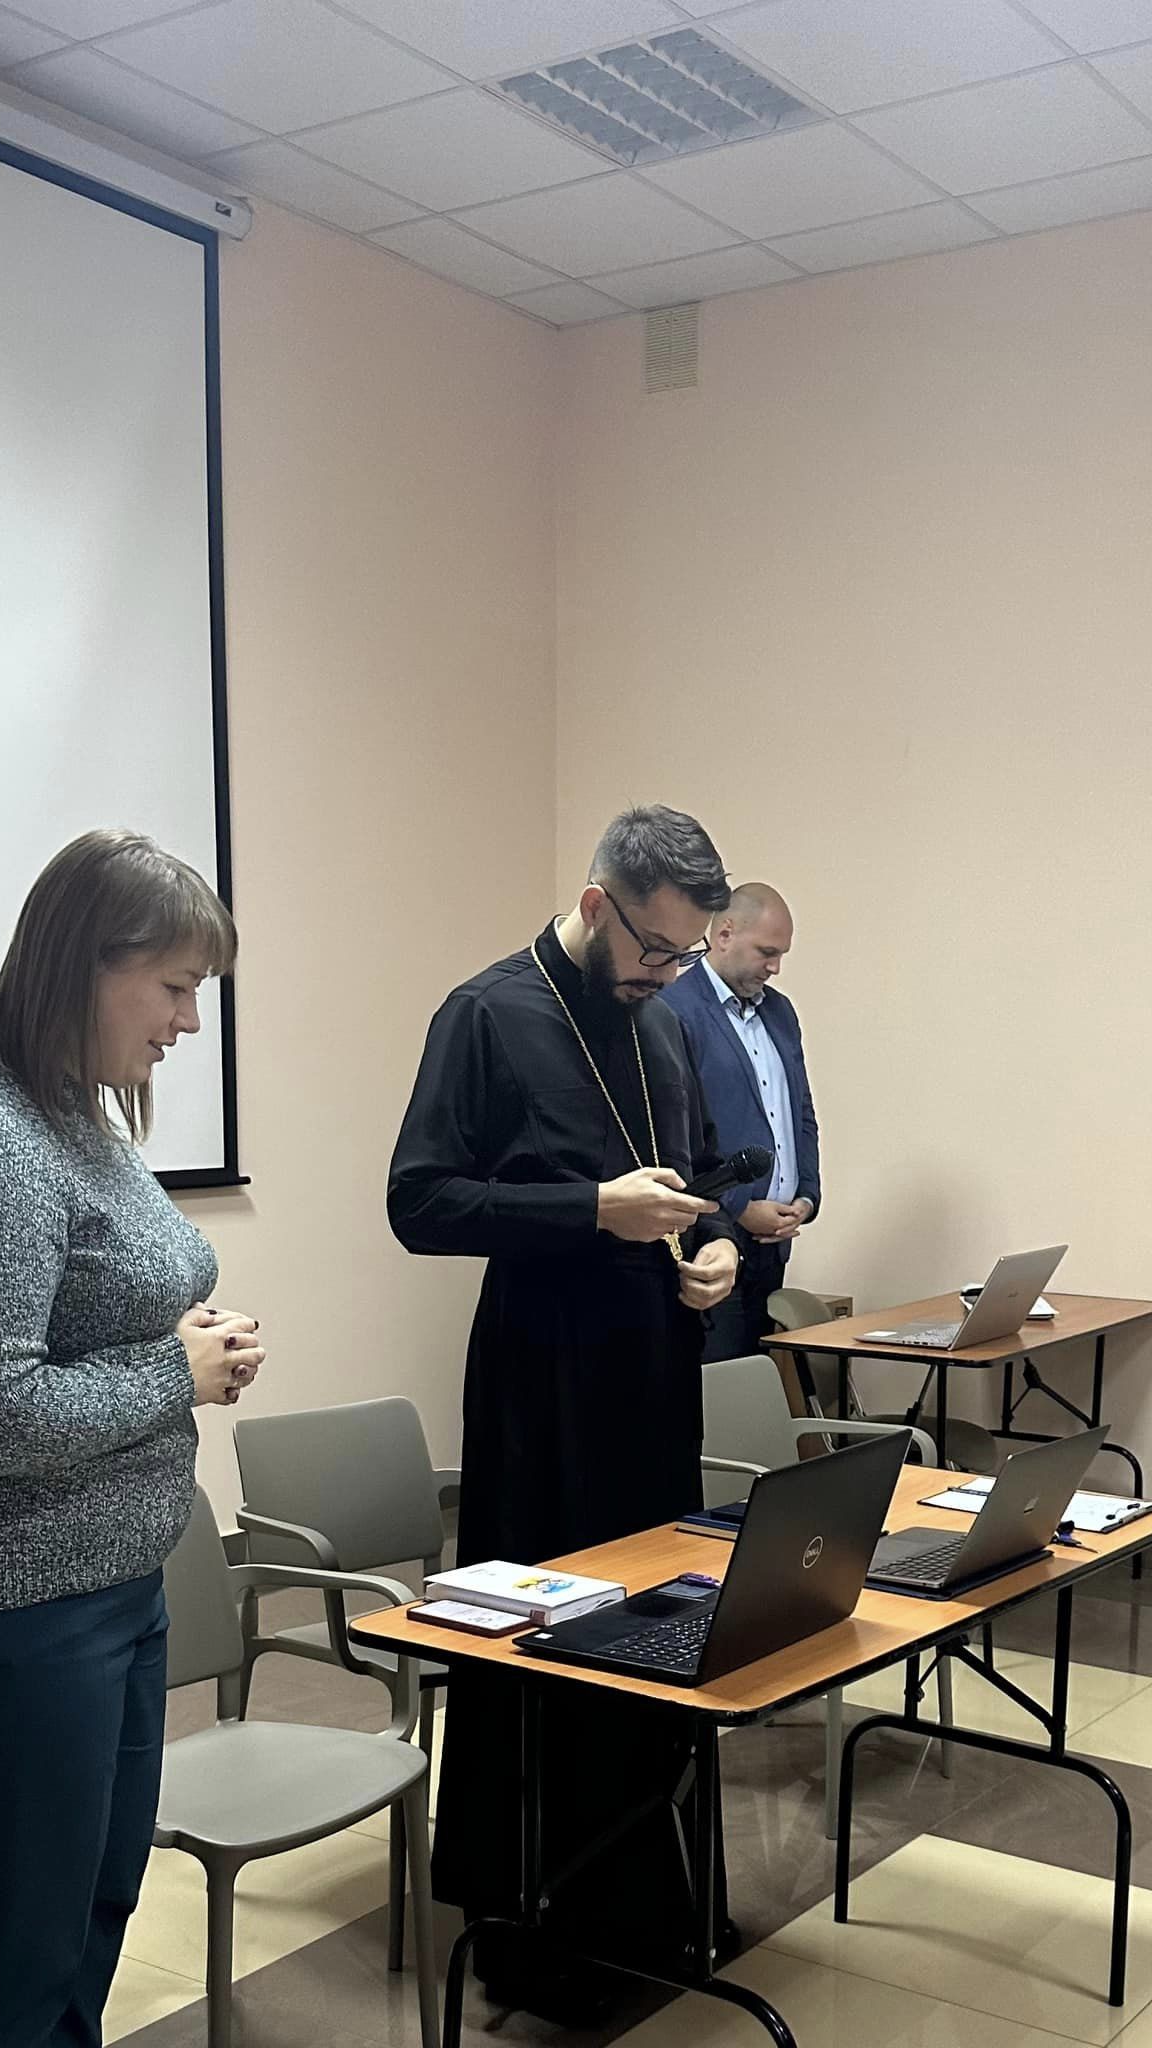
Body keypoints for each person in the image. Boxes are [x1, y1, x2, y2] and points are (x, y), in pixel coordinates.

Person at [0, 828, 263, 2048]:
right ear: (86, 964)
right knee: (15, 1955)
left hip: (102, 1580)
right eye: (173, 986)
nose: (187, 1019)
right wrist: (173, 1370)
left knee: (84, 1916)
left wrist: (175, 1339)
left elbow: (79, 1312)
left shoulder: (71, 1114)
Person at [387, 803, 740, 2023]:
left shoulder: (663, 1018)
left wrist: (710, 1252)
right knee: (548, 1635)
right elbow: (419, 1202)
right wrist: (589, 1209)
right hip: (540, 1387)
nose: (667, 974)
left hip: (653, 1370)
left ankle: (646, 1903)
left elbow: (694, 1182)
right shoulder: (486, 1012)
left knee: (656, 1629)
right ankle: (527, 1925)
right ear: (596, 905)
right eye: (654, 947)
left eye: (686, 954)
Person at [663, 882, 821, 1363]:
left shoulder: (780, 1012)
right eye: (767, 952)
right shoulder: (674, 1009)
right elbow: (674, 1134)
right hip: (711, 1242)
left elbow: (801, 1112)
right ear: (724, 934)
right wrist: (739, 1206)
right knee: (721, 1386)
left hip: (774, 1248)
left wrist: (806, 1197)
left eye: (781, 955)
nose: (775, 967)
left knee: (759, 1382)